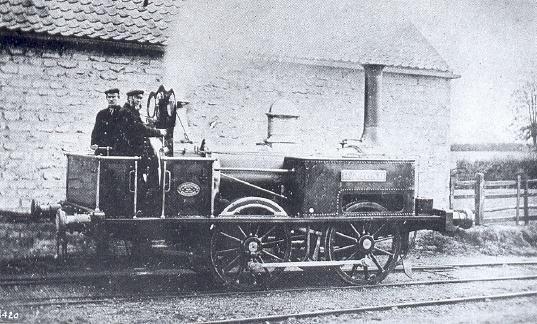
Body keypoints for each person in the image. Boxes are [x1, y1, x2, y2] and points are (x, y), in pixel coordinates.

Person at [120, 89, 166, 217]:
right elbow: (139, 129)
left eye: (140, 98)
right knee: (136, 182)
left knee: (142, 181)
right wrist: (159, 132)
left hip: (137, 154)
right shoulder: (126, 112)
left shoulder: (132, 112)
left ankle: (143, 208)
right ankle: (137, 210)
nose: (139, 100)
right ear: (130, 98)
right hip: (130, 154)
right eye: (137, 98)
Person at [90, 88, 123, 156]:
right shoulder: (101, 114)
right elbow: (96, 131)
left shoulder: (124, 113)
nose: (111, 99)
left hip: (118, 151)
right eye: (109, 97)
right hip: (103, 150)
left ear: (118, 97)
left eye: (113, 97)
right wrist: (94, 143)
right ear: (106, 98)